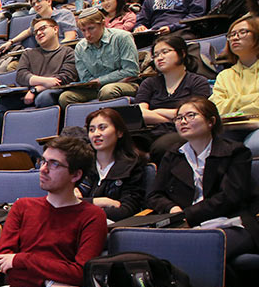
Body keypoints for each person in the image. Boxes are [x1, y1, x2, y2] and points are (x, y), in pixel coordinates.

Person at [0, 136, 108, 287]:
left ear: (75, 175)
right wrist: (49, 283)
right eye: (43, 161)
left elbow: (79, 273)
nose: (43, 169)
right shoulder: (22, 207)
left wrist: (23, 259)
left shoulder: (92, 216)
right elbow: (3, 261)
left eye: (54, 164)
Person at [148, 96, 258, 258]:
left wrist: (188, 216)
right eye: (179, 118)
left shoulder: (236, 152)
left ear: (211, 121)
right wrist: (173, 210)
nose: (183, 121)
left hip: (229, 222)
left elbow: (230, 197)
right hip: (182, 224)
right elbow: (154, 195)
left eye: (191, 116)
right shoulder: (173, 155)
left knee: (199, 250)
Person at [135, 34, 212, 162]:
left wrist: (156, 112)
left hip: (182, 130)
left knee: (162, 146)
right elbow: (140, 113)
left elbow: (197, 113)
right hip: (150, 131)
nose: (159, 58)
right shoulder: (149, 83)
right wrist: (175, 117)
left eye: (165, 52)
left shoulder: (198, 82)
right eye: (156, 55)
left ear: (182, 53)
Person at [60, 7, 140, 108]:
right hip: (96, 89)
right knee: (65, 97)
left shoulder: (122, 37)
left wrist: (101, 80)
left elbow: (131, 70)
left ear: (102, 24)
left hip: (125, 83)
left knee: (107, 91)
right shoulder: (80, 47)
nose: (87, 35)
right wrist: (89, 83)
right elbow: (85, 77)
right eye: (83, 31)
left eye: (91, 28)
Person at [78, 108, 146, 221]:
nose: (96, 134)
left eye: (102, 128)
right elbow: (64, 203)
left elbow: (126, 210)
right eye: (91, 129)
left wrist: (83, 205)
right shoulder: (82, 163)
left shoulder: (132, 166)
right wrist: (101, 202)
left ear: (119, 132)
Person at [211, 15, 259, 155]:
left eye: (242, 32)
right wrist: (251, 100)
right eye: (231, 35)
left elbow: (224, 106)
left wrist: (232, 103)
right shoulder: (225, 76)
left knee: (251, 146)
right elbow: (216, 108)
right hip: (230, 128)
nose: (235, 38)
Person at [15, 17, 79, 108]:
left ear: (55, 29)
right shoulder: (28, 53)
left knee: (44, 98)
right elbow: (21, 76)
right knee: (2, 105)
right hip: (27, 93)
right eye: (35, 32)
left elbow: (65, 78)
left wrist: (36, 89)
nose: (38, 33)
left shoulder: (68, 52)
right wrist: (46, 81)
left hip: (54, 91)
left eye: (42, 28)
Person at [0, 0, 78, 52]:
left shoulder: (64, 14)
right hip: (44, 53)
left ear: (49, 1)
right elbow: (28, 32)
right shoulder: (37, 19)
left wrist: (53, 50)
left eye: (39, 1)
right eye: (33, 4)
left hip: (63, 51)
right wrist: (11, 42)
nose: (36, 5)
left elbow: (70, 37)